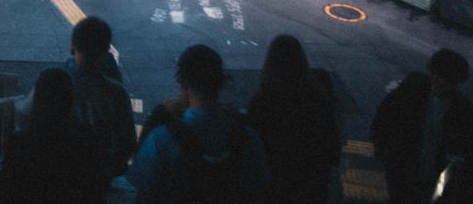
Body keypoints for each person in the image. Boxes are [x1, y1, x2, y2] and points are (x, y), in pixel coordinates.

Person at [127, 44, 271, 204]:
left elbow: (144, 196)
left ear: (181, 82)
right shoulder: (250, 140)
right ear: (221, 83)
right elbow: (261, 190)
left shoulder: (160, 139)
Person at [372, 48, 473, 204]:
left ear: (455, 81)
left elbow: (470, 141)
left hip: (430, 168)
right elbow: (384, 117)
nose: (435, 81)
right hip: (402, 164)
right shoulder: (412, 89)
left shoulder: (460, 107)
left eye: (444, 79)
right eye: (434, 75)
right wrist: (382, 147)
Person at [246, 35, 341, 204]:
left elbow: (252, 149)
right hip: (311, 189)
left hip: (275, 187)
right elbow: (332, 148)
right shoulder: (319, 101)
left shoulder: (262, 103)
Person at [0, 67, 105, 204]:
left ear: (37, 98)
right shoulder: (86, 148)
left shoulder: (17, 143)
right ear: (70, 100)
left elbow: (8, 193)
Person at [65, 17, 136, 202]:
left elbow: (24, 117)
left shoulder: (56, 82)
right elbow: (128, 142)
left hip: (59, 173)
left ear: (72, 44)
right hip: (98, 177)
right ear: (106, 50)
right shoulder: (117, 93)